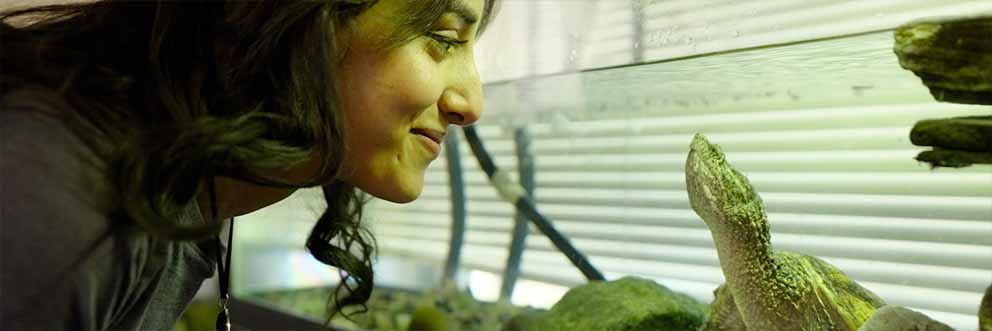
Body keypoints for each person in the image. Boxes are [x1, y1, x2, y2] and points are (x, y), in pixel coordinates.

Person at [0, 0, 499, 329]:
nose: (471, 102)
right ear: (306, 19)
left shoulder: (187, 193)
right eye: (445, 36)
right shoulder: (60, 196)